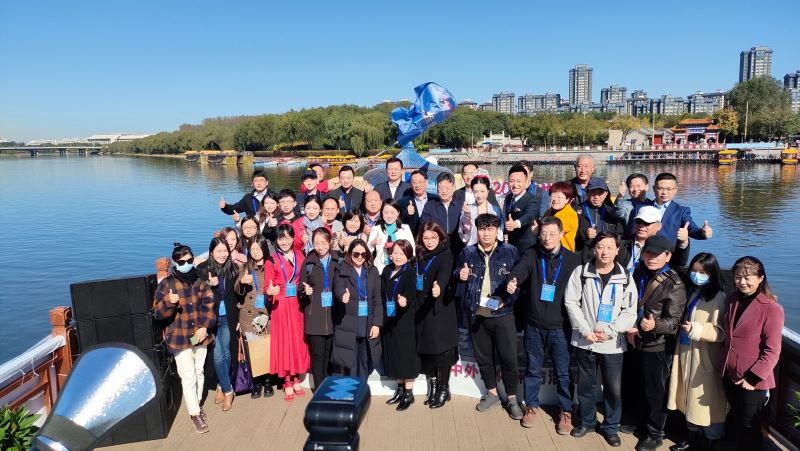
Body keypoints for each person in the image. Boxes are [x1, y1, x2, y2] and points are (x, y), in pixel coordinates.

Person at [507, 216, 580, 433]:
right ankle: (532, 406)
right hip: (534, 325)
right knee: (532, 369)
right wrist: (513, 280)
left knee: (563, 372)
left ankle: (565, 411)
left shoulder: (573, 260)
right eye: (543, 234)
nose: (547, 238)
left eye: (552, 234)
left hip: (561, 327)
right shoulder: (532, 254)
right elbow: (520, 270)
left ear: (561, 234)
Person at [563, 232, 637, 447]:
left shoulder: (626, 277)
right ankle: (587, 422)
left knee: (613, 389)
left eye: (610, 247)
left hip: (612, 344)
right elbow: (571, 302)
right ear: (594, 249)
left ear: (617, 250)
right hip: (586, 341)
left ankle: (611, 427)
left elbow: (630, 311)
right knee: (586, 386)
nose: (605, 252)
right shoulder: (581, 272)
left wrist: (611, 331)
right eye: (601, 247)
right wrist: (585, 329)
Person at [455, 214, 522, 420]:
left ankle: (512, 398)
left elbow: (519, 283)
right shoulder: (468, 252)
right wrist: (460, 274)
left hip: (503, 313)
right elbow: (457, 272)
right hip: (477, 313)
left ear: (497, 230)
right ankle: (492, 394)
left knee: (509, 359)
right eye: (482, 229)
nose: (486, 233)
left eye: (490, 229)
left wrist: (508, 296)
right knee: (483, 358)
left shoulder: (510, 251)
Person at [624, 235, 687, 451]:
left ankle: (655, 433)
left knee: (656, 391)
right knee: (638, 385)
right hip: (635, 339)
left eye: (657, 254)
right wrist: (633, 326)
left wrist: (655, 325)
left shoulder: (674, 283)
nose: (651, 258)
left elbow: (675, 322)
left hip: (657, 345)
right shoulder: (638, 273)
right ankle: (640, 422)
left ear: (668, 256)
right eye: (648, 253)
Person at [720, 256, 783, 451]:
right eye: (738, 277)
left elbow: (772, 350)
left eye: (748, 277)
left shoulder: (771, 308)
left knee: (750, 428)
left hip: (751, 380)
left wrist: (753, 378)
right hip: (730, 374)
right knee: (737, 421)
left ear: (760, 278)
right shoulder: (732, 299)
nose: (742, 282)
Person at [667, 252, 727, 451]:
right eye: (694, 270)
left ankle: (711, 441)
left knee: (707, 402)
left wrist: (697, 330)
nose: (696, 275)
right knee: (688, 398)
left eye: (702, 272)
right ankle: (692, 439)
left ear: (712, 273)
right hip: (686, 352)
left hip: (705, 357)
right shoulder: (694, 291)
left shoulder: (719, 297)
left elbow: (721, 332)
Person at [153, 243, 215, 433]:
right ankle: (195, 413)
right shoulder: (167, 284)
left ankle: (197, 403)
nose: (186, 264)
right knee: (188, 376)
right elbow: (157, 313)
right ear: (174, 263)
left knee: (199, 372)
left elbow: (209, 305)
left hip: (199, 335)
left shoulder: (200, 281)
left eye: (189, 260)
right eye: (181, 262)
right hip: (179, 338)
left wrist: (204, 326)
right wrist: (168, 302)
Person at [264, 224, 310, 401]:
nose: (284, 242)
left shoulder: (300, 255)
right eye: (281, 238)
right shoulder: (271, 260)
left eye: (288, 238)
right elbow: (267, 287)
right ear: (276, 240)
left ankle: (297, 376)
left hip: (297, 303)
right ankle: (287, 380)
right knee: (284, 341)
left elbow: (305, 278)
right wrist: (270, 291)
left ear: (293, 238)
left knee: (298, 340)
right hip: (281, 303)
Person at [414, 222, 457, 409]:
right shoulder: (419, 255)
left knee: (442, 351)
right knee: (426, 348)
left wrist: (438, 287)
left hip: (439, 309)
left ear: (440, 238)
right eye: (426, 238)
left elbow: (444, 275)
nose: (429, 241)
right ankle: (432, 385)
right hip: (420, 307)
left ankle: (444, 388)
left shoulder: (445, 255)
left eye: (433, 237)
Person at [198, 237, 240, 412]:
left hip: (229, 317)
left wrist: (239, 319)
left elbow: (238, 295)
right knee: (217, 356)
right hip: (211, 319)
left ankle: (221, 386)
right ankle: (228, 391)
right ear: (211, 252)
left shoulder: (232, 269)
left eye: (225, 251)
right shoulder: (202, 270)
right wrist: (209, 284)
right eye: (219, 251)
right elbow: (196, 294)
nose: (222, 255)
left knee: (227, 352)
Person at [331, 239, 383, 377]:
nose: (359, 257)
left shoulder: (372, 270)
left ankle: (361, 386)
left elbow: (377, 298)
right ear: (350, 254)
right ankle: (353, 387)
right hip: (349, 321)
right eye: (356, 254)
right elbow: (338, 288)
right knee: (351, 361)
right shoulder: (342, 268)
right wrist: (342, 295)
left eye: (363, 254)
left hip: (367, 321)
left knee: (366, 360)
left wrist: (376, 324)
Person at [381, 240, 421, 411]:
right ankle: (399, 390)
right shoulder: (386, 270)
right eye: (395, 253)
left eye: (402, 254)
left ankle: (409, 394)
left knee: (406, 357)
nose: (397, 256)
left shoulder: (410, 272)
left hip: (405, 320)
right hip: (389, 320)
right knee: (395, 355)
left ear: (408, 256)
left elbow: (412, 291)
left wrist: (405, 300)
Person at [234, 236, 274, 399]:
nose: (256, 252)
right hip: (248, 315)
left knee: (266, 349)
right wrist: (242, 283)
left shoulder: (271, 265)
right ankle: (256, 382)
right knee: (252, 350)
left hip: (266, 315)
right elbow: (237, 290)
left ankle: (268, 381)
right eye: (252, 249)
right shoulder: (245, 267)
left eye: (258, 248)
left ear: (264, 248)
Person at [299, 228, 339, 391]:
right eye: (316, 243)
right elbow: (300, 289)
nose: (320, 247)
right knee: (317, 355)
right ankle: (319, 389)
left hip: (334, 316)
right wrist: (305, 291)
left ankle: (327, 386)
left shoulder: (338, 261)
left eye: (323, 242)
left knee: (329, 354)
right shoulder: (308, 263)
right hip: (314, 315)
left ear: (330, 242)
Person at [629, 172, 713, 243]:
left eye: (669, 189)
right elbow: (631, 233)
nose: (664, 192)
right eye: (660, 188)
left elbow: (692, 230)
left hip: (668, 254)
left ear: (675, 190)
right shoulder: (640, 208)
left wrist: (703, 232)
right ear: (654, 189)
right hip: (642, 253)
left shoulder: (681, 211)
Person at [618, 206, 690, 270]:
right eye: (638, 221)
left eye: (647, 223)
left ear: (658, 226)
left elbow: (679, 263)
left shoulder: (665, 245)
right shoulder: (621, 243)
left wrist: (683, 242)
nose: (641, 226)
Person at [576, 178, 624, 263]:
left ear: (606, 194)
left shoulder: (611, 212)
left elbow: (619, 234)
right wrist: (584, 233)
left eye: (600, 193)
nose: (596, 196)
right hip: (583, 257)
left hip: (605, 256)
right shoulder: (576, 211)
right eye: (593, 192)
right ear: (587, 192)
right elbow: (568, 234)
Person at [420, 172, 464, 258]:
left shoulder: (461, 205)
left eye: (447, 188)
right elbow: (424, 224)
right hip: (437, 247)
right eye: (441, 188)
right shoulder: (430, 205)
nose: (444, 191)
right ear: (437, 188)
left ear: (453, 188)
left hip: (458, 246)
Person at [367, 199, 415, 273]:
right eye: (386, 213)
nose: (389, 216)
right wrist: (373, 242)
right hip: (381, 270)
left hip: (401, 271)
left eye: (393, 213)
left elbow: (412, 251)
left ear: (398, 213)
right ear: (382, 213)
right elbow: (367, 250)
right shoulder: (376, 229)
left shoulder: (405, 228)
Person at [503, 164, 542, 252]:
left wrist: (516, 223)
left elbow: (529, 216)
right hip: (511, 244)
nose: (515, 184)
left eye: (519, 181)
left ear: (526, 183)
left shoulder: (532, 200)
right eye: (512, 181)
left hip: (527, 247)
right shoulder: (509, 197)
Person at [459, 176, 504, 246]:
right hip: (473, 246)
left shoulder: (496, 210)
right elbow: (464, 232)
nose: (479, 195)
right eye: (475, 192)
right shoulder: (467, 209)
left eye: (482, 191)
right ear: (472, 191)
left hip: (492, 247)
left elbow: (500, 230)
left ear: (488, 191)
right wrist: (467, 215)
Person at [543, 181, 579, 252]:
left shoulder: (570, 215)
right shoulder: (549, 211)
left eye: (559, 197)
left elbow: (553, 229)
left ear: (567, 200)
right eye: (553, 196)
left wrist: (539, 227)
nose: (555, 199)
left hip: (563, 253)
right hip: (546, 251)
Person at [400, 169, 438, 235]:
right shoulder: (403, 202)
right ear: (411, 184)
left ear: (426, 182)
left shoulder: (435, 199)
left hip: (431, 237)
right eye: (414, 182)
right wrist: (407, 213)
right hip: (411, 238)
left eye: (420, 182)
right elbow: (398, 221)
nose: (417, 185)